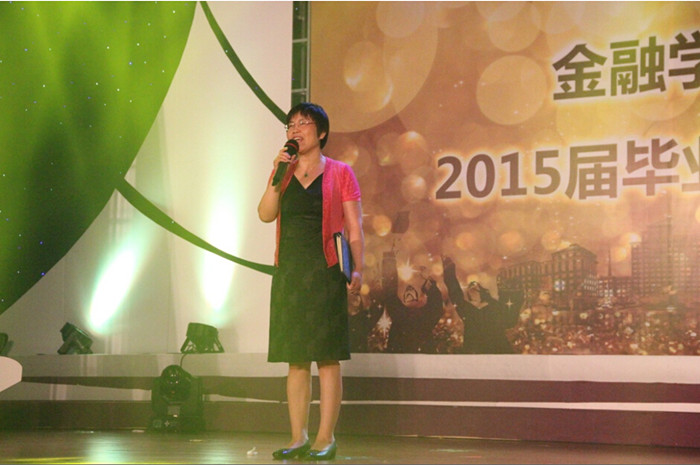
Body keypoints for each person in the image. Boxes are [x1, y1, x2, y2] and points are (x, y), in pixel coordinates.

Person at [258, 102, 363, 461]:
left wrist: (358, 270)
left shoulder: (340, 172)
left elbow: (355, 229)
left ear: (321, 132)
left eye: (304, 123)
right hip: (289, 273)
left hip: (326, 271)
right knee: (296, 359)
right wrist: (277, 174)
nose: (296, 129)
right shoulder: (283, 171)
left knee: (327, 359)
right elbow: (265, 214)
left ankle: (325, 438)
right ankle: (297, 437)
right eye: (291, 125)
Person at [442, 256, 523, 354]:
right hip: (476, 351)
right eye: (470, 288)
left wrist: (513, 290)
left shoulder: (494, 306)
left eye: (475, 287)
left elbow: (509, 320)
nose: (471, 289)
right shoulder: (466, 309)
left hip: (497, 349)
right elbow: (454, 291)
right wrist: (449, 269)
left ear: (482, 292)